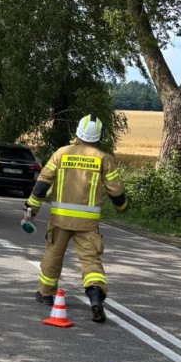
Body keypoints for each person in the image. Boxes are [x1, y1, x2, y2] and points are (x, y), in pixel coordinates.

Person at [25, 115, 129, 323]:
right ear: (98, 136)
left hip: (60, 220)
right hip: (87, 224)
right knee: (91, 261)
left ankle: (46, 294)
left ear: (78, 132)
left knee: (53, 255)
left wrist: (31, 208)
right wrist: (122, 207)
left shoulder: (62, 153)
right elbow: (116, 190)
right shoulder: (103, 158)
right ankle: (96, 298)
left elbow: (43, 183)